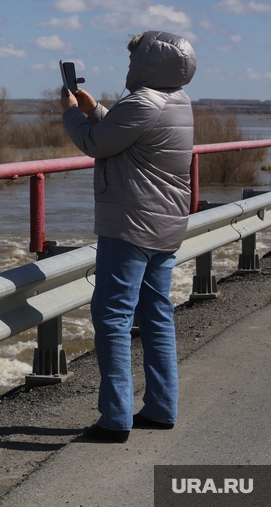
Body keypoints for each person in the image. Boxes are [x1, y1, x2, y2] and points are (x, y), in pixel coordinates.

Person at [59, 31, 197, 443]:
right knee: (156, 314)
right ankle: (160, 407)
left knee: (112, 317)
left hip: (130, 225)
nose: (129, 66)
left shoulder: (142, 101)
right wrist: (97, 108)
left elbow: (94, 143)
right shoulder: (178, 102)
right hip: (165, 225)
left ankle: (115, 418)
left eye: (134, 59)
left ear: (148, 63)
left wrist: (71, 112)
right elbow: (130, 136)